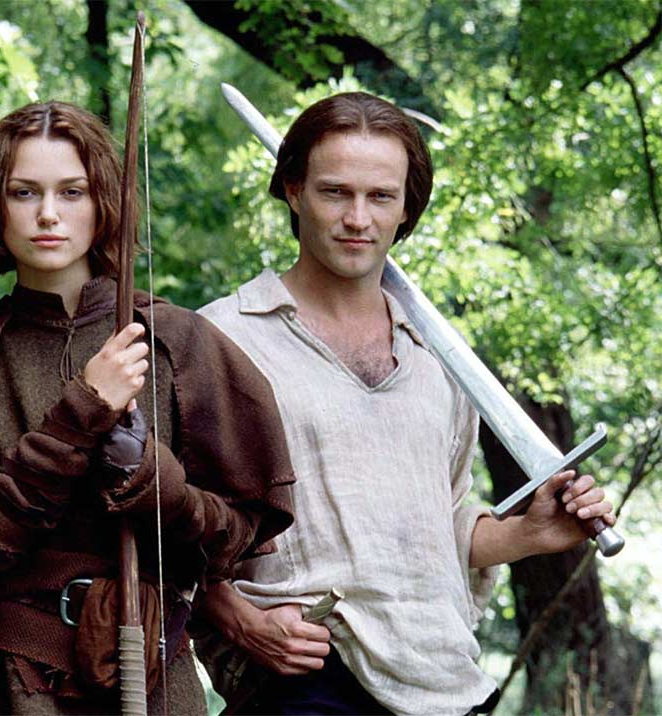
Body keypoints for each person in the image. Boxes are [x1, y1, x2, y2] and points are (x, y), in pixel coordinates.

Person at [0, 101, 296, 714]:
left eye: (72, 192)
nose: (48, 214)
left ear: (103, 204)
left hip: (144, 675)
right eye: (24, 192)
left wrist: (153, 479)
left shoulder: (178, 344)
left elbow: (232, 537)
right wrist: (81, 415)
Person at [196, 91, 617, 715]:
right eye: (335, 193)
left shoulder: (438, 361)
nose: (357, 218)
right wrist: (233, 615)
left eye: (380, 197)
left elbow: (436, 525)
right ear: (293, 191)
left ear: (405, 208)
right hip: (304, 670)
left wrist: (528, 533)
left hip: (439, 674)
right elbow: (160, 520)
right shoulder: (220, 338)